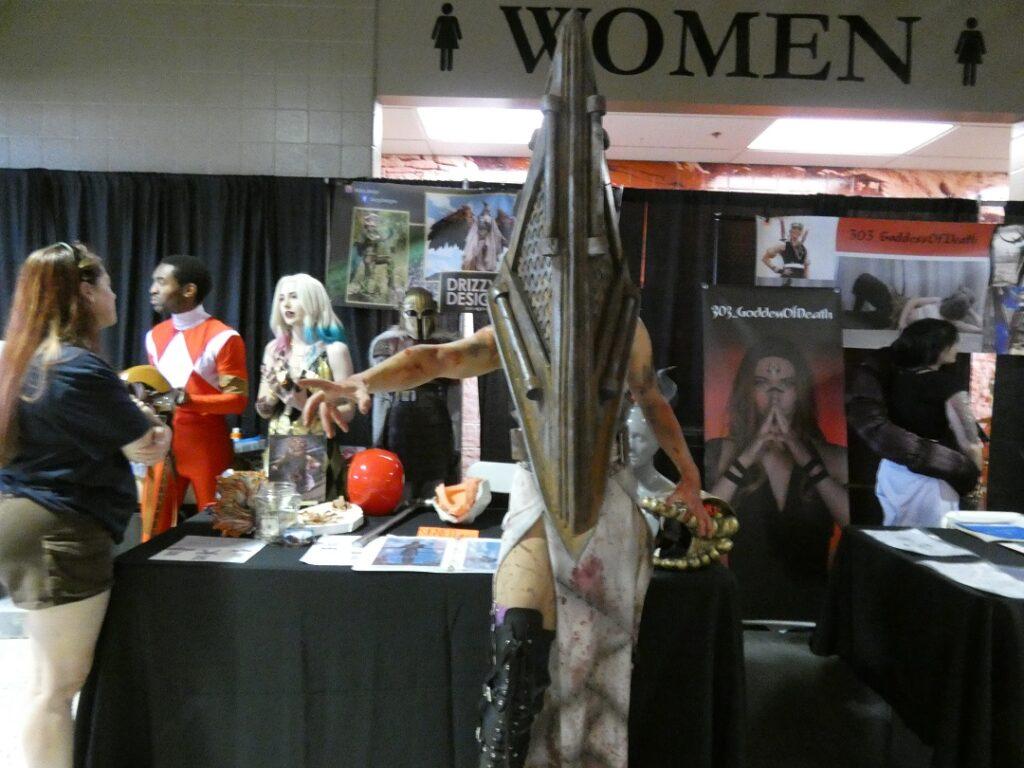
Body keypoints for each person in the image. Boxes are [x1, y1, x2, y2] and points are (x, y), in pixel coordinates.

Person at [299, 320, 709, 767]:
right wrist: (362, 381)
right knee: (518, 650)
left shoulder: (621, 322)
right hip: (539, 491)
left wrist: (689, 478)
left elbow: (649, 398)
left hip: (607, 498)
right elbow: (439, 359)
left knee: (595, 669)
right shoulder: (521, 319)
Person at [0, 242, 170, 768]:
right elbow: (147, 442)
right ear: (87, 293)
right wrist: (154, 423)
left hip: (28, 516)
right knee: (56, 688)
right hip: (58, 529)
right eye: (110, 284)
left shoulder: (22, 357)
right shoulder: (75, 367)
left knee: (45, 680)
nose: (117, 294)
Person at [706, 337, 848, 616]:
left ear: (801, 392)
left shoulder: (833, 456)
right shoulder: (721, 451)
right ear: (747, 391)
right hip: (742, 609)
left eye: (786, 385)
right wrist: (749, 453)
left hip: (811, 611)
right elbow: (705, 524)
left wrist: (802, 453)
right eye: (762, 384)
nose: (774, 395)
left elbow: (850, 524)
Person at [145, 255, 248, 538]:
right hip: (163, 444)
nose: (152, 289)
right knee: (154, 529)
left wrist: (189, 401)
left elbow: (237, 401)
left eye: (161, 282)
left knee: (223, 530)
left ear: (189, 290)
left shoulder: (224, 337)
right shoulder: (154, 336)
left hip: (206, 446)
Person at [874, 319, 981, 527]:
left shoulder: (894, 379)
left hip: (891, 471)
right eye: (953, 343)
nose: (957, 348)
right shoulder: (946, 385)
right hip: (929, 473)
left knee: (897, 545)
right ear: (937, 348)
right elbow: (971, 442)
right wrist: (973, 486)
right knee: (933, 545)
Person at [256, 273, 354, 499]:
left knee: (318, 520)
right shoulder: (274, 349)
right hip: (280, 448)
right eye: (281, 299)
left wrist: (305, 405)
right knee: (279, 519)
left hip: (317, 449)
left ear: (313, 301)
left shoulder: (334, 351)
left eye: (293, 297)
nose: (286, 305)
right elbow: (262, 411)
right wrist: (273, 395)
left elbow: (349, 412)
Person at [367, 287, 459, 498]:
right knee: (400, 480)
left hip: (436, 417)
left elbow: (454, 398)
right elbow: (382, 395)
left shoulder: (448, 345)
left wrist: (457, 438)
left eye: (426, 313)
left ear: (434, 312)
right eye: (412, 313)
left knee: (435, 484)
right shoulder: (386, 344)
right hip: (400, 418)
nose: (419, 320)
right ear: (401, 312)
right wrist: (377, 440)